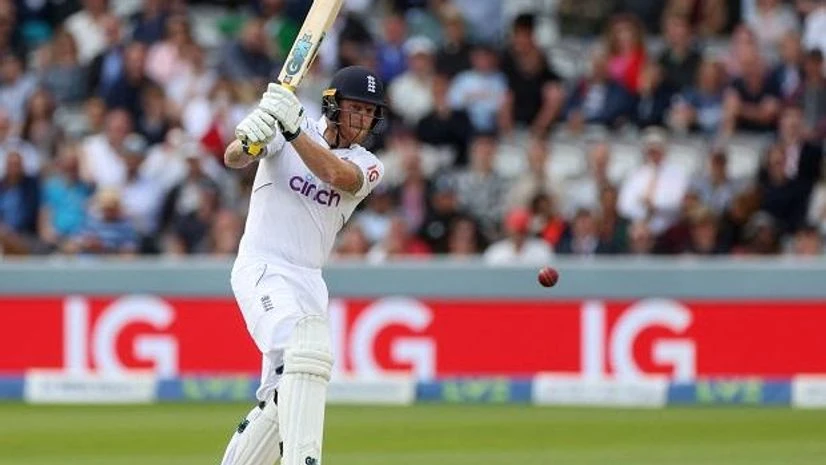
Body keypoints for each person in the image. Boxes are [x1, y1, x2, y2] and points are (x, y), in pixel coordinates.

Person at [219, 66, 387, 465]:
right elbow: (233, 158)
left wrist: (294, 130)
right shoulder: (288, 126)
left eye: (369, 112)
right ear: (333, 104)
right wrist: (251, 138)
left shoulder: (369, 165)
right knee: (302, 352)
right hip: (263, 266)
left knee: (285, 394)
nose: (362, 120)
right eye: (355, 108)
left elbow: (335, 174)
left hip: (310, 283)